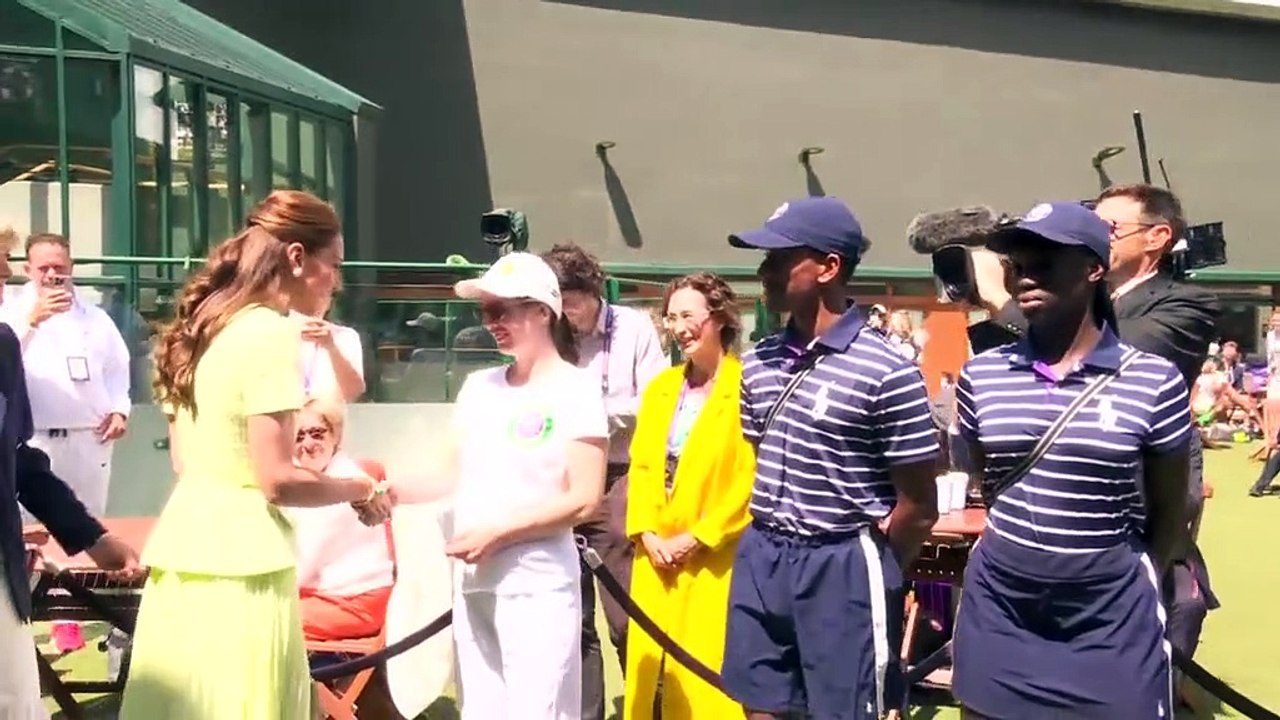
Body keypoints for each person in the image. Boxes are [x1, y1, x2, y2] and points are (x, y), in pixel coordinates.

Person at [120, 190, 392, 720]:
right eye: (332, 266)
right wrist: (363, 488)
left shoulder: (205, 329)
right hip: (245, 565)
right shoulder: (269, 333)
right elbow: (278, 480)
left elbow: (185, 463)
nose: (335, 281)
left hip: (184, 553)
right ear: (296, 257)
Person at [952, 201, 1191, 719]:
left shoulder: (1154, 381)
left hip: (1109, 611)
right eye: (1017, 264)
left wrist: (1113, 569)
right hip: (1003, 603)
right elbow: (986, 477)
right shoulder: (982, 375)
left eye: (1046, 261)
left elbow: (1171, 509)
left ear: (1093, 268)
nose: (1025, 277)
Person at [721, 197, 940, 719]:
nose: (763, 273)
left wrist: (879, 566)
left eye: (778, 258)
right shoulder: (758, 363)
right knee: (761, 704)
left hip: (842, 561)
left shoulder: (887, 370)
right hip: (763, 553)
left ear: (828, 267)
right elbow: (766, 456)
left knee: (843, 710)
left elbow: (918, 502)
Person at [391, 252, 608, 719]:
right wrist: (384, 490)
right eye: (485, 311)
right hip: (475, 583)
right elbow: (449, 476)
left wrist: (499, 534)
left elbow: (584, 498)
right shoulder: (478, 387)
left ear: (542, 311)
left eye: (501, 310)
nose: (490, 323)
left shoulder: (577, 389)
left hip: (538, 582)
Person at [0, 224, 142, 720]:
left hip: (74, 450)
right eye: (5, 264)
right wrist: (27, 323)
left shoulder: (93, 320)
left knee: (15, 699)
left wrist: (91, 537)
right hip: (36, 457)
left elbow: (16, 458)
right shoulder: (13, 326)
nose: (7, 275)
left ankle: (71, 634)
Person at [540, 243, 667, 720]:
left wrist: (594, 414)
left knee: (623, 615)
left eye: (570, 301)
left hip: (619, 476)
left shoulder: (633, 327)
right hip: (562, 477)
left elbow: (655, 400)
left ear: (592, 292)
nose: (565, 313)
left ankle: (645, 708)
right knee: (574, 620)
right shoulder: (551, 333)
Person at [623, 272, 755, 720]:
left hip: (714, 554)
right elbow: (641, 465)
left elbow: (749, 478)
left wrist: (701, 535)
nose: (679, 327)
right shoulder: (660, 388)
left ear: (718, 318)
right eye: (671, 317)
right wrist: (645, 531)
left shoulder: (747, 387)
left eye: (688, 316)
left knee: (706, 669)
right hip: (654, 550)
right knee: (646, 669)